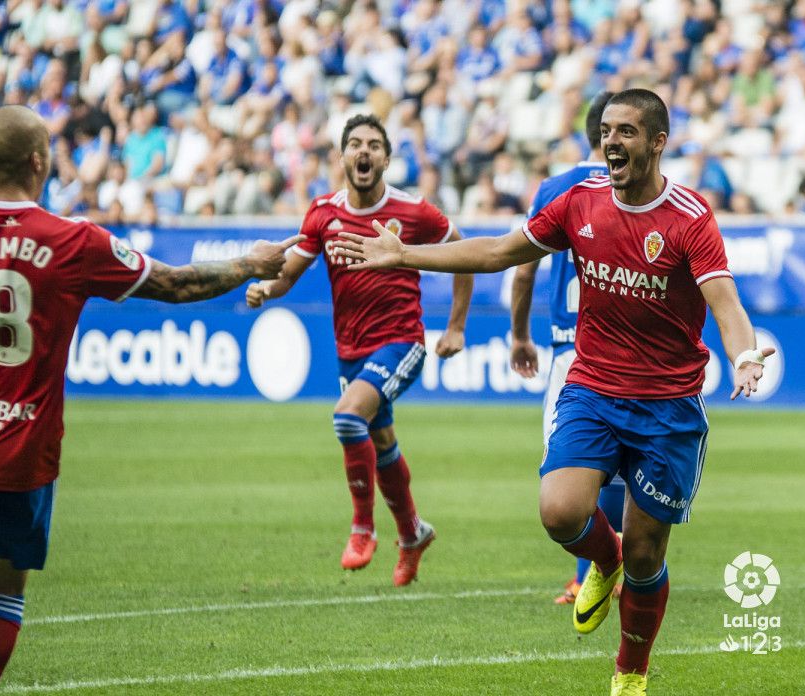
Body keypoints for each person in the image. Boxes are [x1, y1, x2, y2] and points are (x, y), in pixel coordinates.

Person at [333, 89, 775, 696]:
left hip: (667, 406)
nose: (612, 141)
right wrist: (405, 253)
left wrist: (745, 355)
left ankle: (630, 671)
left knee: (648, 554)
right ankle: (603, 557)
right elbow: (497, 252)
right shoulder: (578, 202)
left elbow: (726, 305)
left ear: (657, 142)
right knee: (560, 511)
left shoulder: (689, 217)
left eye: (626, 131)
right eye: (607, 130)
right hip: (592, 387)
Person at [0, 105, 301, 696]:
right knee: (1, 590)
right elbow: (177, 284)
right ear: (41, 163)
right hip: (21, 451)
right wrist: (251, 264)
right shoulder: (74, 241)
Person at [245, 114, 473, 587]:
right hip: (350, 350)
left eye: (373, 144)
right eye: (354, 144)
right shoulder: (323, 213)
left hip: (401, 342)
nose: (363, 151)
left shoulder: (414, 212)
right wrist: (266, 289)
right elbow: (288, 275)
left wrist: (454, 327)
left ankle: (362, 528)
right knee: (381, 442)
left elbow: (463, 252)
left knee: (348, 418)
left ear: (386, 159)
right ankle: (412, 533)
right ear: (343, 156)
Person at [508, 91, 625, 606]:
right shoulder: (646, 187)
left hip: (571, 348)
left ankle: (592, 573)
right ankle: (630, 567)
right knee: (624, 466)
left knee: (567, 466)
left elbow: (524, 268)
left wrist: (518, 334)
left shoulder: (557, 187)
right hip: (630, 347)